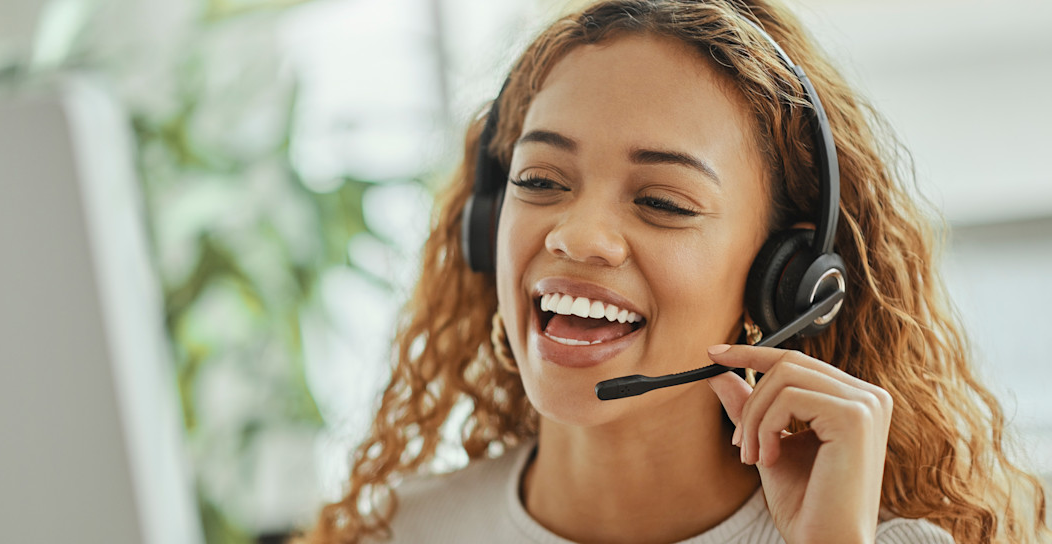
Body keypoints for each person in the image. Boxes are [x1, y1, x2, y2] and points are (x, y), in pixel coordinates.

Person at [298, 0, 1050, 542]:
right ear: (485, 224)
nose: (580, 234)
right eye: (539, 181)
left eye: (661, 200)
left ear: (786, 279)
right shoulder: (404, 531)